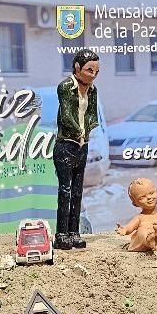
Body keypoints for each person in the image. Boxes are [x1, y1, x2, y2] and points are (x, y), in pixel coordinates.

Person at [54, 49, 101, 250]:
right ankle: (61, 233)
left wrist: (87, 129)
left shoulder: (93, 90)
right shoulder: (65, 87)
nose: (93, 75)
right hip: (66, 144)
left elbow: (92, 114)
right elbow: (66, 116)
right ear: (77, 67)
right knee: (65, 191)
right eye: (89, 70)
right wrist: (78, 131)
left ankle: (74, 232)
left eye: (96, 72)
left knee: (78, 191)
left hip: (82, 145)